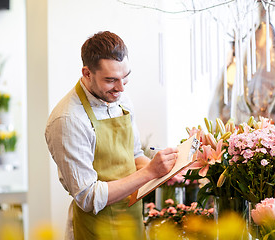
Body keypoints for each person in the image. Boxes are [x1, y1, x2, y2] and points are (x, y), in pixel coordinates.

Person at [45, 31, 178, 240]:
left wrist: (167, 171)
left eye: (126, 77)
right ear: (87, 73)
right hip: (95, 229)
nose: (121, 87)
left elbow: (133, 156)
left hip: (131, 220)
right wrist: (150, 172)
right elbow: (88, 196)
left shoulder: (120, 98)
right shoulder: (68, 119)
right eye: (111, 80)